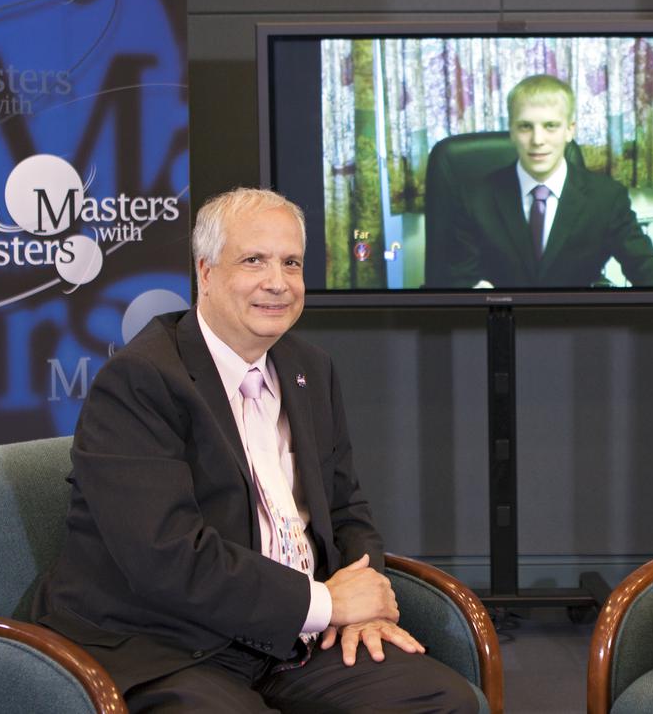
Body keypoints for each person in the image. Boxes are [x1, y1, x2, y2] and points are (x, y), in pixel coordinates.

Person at [34, 188, 478, 713]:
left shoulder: (309, 367)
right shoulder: (141, 380)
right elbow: (167, 559)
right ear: (206, 272)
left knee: (442, 702)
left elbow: (345, 508)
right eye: (254, 261)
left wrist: (367, 597)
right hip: (171, 644)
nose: (278, 283)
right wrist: (329, 602)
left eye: (291, 263)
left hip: (295, 640)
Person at [442, 74, 653, 288]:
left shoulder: (607, 198)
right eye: (525, 127)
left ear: (570, 130)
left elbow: (647, 266)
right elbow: (459, 281)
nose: (537, 140)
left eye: (550, 126)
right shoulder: (474, 198)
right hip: (499, 320)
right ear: (511, 131)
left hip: (574, 323)